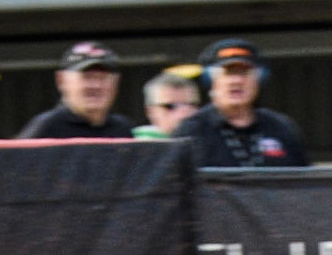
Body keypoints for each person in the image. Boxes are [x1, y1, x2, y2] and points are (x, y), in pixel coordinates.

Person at [171, 39, 309, 167]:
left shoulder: (282, 127)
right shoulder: (191, 131)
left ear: (259, 80)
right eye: (228, 73)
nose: (236, 80)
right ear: (211, 81)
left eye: (244, 72)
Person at [17, 41, 134, 139]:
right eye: (87, 77)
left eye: (103, 78)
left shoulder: (123, 130)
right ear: (61, 81)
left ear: (116, 82)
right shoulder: (46, 129)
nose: (96, 85)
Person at [132, 72, 200, 139]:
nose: (183, 114)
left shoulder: (206, 140)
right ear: (150, 112)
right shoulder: (134, 144)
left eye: (192, 105)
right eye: (170, 106)